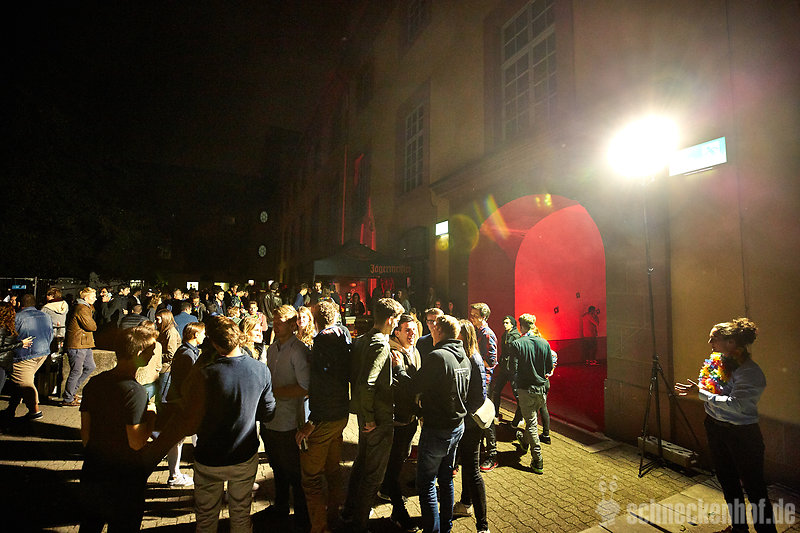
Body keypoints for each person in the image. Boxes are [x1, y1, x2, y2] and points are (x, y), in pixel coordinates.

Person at [675, 318, 777, 533]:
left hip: (742, 435)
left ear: (731, 342)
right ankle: (739, 529)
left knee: (755, 489)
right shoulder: (719, 363)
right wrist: (701, 391)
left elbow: (737, 405)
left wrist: (701, 394)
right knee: (728, 483)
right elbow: (712, 389)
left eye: (715, 338)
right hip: (716, 428)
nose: (709, 342)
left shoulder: (749, 372)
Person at [394, 314, 470, 533]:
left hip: (437, 428)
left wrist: (399, 369)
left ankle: (432, 530)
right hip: (457, 426)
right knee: (446, 480)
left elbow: (413, 386)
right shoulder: (463, 357)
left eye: (433, 327)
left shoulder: (438, 356)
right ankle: (445, 527)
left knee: (426, 483)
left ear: (438, 331)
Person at [79, 325, 158, 531]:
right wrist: (151, 416)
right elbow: (136, 442)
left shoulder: (94, 383)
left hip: (94, 470)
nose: (153, 355)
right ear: (138, 353)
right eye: (151, 350)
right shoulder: (135, 392)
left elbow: (85, 435)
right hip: (124, 477)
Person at [342, 298, 405, 533]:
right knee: (374, 475)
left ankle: (348, 512)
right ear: (390, 319)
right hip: (377, 417)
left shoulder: (361, 340)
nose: (397, 324)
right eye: (397, 320)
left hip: (364, 414)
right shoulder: (381, 345)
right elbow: (368, 383)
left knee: (361, 464)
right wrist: (371, 418)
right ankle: (359, 524)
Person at [295, 300, 352, 533]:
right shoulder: (344, 334)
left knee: (311, 478)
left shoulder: (322, 341)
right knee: (333, 470)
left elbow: (322, 383)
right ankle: (334, 516)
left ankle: (319, 527)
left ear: (315, 319)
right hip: (341, 413)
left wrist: (313, 421)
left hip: (325, 416)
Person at [261, 305, 311, 529]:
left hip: (289, 421)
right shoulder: (272, 348)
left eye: (280, 321)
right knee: (277, 467)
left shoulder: (298, 350)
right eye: (274, 321)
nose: (275, 325)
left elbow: (305, 386)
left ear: (292, 325)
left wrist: (274, 392)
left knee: (293, 472)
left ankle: (301, 515)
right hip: (271, 418)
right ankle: (280, 506)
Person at [379, 314, 422, 531]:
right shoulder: (392, 354)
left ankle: (387, 489)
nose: (412, 333)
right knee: (394, 464)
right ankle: (398, 512)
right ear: (397, 332)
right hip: (397, 420)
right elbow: (400, 388)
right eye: (407, 330)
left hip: (410, 419)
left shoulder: (414, 351)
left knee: (401, 458)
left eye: (414, 329)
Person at [452, 320, 490, 533]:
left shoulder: (472, 358)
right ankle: (465, 503)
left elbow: (479, 396)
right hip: (468, 421)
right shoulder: (470, 355)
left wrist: (463, 415)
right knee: (467, 465)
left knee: (473, 470)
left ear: (464, 336)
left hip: (470, 424)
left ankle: (483, 525)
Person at [162, 321, 206, 488]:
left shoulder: (187, 351)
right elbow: (188, 381)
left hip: (181, 400)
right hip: (183, 402)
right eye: (203, 333)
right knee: (177, 439)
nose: (204, 336)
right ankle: (174, 475)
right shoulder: (187, 354)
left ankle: (178, 472)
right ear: (196, 334)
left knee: (181, 438)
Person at [510, 313, 553, 474]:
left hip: (525, 388)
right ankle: (524, 442)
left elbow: (513, 368)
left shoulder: (517, 344)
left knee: (532, 424)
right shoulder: (544, 343)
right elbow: (549, 368)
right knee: (532, 420)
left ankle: (537, 459)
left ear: (521, 326)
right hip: (541, 389)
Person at [3, 294, 53, 420]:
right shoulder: (46, 316)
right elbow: (50, 334)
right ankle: (11, 408)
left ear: (20, 303)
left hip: (24, 355)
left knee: (25, 383)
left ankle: (35, 411)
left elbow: (10, 336)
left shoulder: (17, 317)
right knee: (20, 381)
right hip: (43, 352)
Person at [468, 303, 498, 472]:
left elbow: (492, 361)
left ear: (484, 317)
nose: (471, 318)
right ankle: (480, 451)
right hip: (477, 379)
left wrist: (475, 361)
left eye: (475, 315)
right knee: (477, 417)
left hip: (484, 380)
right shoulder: (476, 332)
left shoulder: (487, 334)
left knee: (486, 418)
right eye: (471, 314)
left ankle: (492, 455)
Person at [63, 287, 98, 407]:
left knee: (90, 367)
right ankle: (68, 398)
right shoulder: (82, 308)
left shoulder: (84, 307)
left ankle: (71, 393)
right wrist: (94, 324)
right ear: (86, 298)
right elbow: (91, 326)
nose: (95, 299)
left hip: (83, 343)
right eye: (93, 296)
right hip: (78, 344)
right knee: (76, 371)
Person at [0, 303, 34, 415]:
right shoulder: (2, 328)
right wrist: (20, 344)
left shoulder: (5, 326)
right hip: (1, 363)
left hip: (4, 363)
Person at [492, 316, 521, 426]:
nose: (505, 324)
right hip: (504, 368)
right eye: (504, 322)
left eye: (507, 323)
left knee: (517, 394)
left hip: (513, 369)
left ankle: (520, 417)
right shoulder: (505, 334)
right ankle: (495, 414)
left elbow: (517, 353)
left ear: (512, 324)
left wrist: (515, 367)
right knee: (496, 390)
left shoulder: (516, 336)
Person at [155, 308, 180, 404]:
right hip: (162, 368)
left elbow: (171, 354)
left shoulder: (170, 333)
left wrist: (157, 356)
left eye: (158, 319)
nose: (156, 322)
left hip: (167, 369)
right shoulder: (163, 331)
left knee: (162, 398)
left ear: (165, 319)